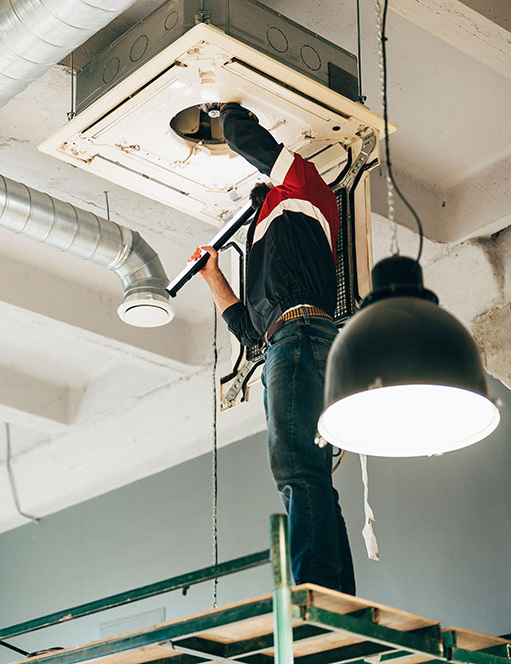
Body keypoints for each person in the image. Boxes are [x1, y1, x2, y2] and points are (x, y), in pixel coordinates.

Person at [192, 103, 355, 594]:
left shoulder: (307, 188)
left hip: (302, 338)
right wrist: (214, 277)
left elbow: (255, 145)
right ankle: (330, 593)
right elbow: (249, 332)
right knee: (307, 474)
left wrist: (226, 113)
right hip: (292, 341)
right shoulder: (265, 236)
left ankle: (317, 590)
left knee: (298, 471)